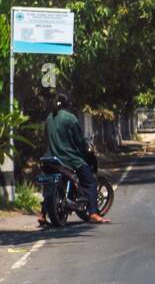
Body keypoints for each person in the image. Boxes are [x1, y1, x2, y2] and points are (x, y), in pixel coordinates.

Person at [39, 91, 109, 226]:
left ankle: (42, 214)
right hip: (69, 159)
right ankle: (94, 213)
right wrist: (86, 149)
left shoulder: (49, 118)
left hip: (50, 158)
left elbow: (46, 137)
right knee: (90, 181)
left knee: (49, 184)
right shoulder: (70, 118)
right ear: (67, 104)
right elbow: (79, 140)